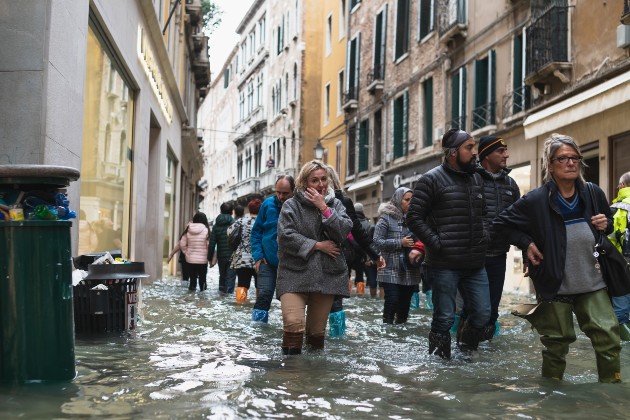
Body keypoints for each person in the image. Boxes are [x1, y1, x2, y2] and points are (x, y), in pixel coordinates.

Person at [494, 134, 621, 383]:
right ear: (550, 165)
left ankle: (612, 392)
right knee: (555, 345)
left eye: (575, 158)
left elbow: (608, 227)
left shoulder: (593, 193)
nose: (570, 163)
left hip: (592, 281)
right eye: (563, 158)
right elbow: (499, 225)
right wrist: (526, 243)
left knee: (609, 338)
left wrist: (606, 225)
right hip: (554, 283)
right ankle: (550, 396)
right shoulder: (535, 200)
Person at [406, 128, 490, 359]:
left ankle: (466, 354)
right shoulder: (430, 179)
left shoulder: (476, 178)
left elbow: (484, 214)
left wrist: (485, 234)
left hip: (475, 262)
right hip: (444, 263)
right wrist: (436, 243)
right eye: (469, 148)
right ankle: (439, 364)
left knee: (483, 313)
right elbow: (413, 217)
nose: (475, 152)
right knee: (443, 317)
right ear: (453, 153)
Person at [276, 160, 353, 354]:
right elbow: (285, 236)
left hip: (325, 275)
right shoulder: (290, 206)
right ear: (304, 183)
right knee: (294, 325)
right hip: (294, 274)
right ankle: (292, 374)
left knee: (316, 334)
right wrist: (317, 245)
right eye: (315, 180)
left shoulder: (335, 204)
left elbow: (344, 233)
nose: (321, 184)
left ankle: (313, 378)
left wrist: (324, 209)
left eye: (324, 179)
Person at [458, 135, 522, 340]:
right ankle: (465, 350)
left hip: (498, 255)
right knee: (474, 308)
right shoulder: (469, 180)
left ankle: (484, 353)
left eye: (506, 150)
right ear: (486, 155)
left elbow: (518, 219)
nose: (507, 155)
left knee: (492, 312)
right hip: (472, 256)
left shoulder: (511, 184)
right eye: (500, 151)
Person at [326, 165, 384, 336]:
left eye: (324, 179)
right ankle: (327, 339)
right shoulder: (303, 202)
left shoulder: (342, 202)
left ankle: (336, 339)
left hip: (337, 257)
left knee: (335, 301)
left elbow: (357, 231)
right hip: (321, 257)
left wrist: (375, 254)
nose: (321, 184)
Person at [373, 187, 424, 324]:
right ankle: (387, 329)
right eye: (407, 200)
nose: (410, 203)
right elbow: (377, 241)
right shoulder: (386, 218)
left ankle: (401, 331)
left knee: (405, 305)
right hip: (390, 268)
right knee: (392, 300)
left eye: (412, 200)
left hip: (410, 268)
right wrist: (399, 242)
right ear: (397, 200)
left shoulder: (417, 219)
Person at [250, 175, 295, 323]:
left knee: (292, 304)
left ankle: (290, 333)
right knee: (264, 296)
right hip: (267, 262)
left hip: (291, 265)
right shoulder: (267, 205)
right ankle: (258, 334)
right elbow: (256, 231)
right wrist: (258, 256)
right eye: (278, 192)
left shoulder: (299, 206)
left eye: (285, 193)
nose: (281, 196)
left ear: (293, 191)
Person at [608, 171, 630, 340]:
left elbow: (608, 243)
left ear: (622, 186)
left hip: (622, 270)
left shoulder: (615, 210)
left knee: (620, 315)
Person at [230, 199, 262, 304]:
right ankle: (259, 306)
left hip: (242, 259)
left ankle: (240, 304)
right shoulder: (263, 222)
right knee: (260, 285)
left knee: (242, 284)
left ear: (248, 209)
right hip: (260, 259)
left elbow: (230, 233)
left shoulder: (241, 221)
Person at [354, 203, 379, 298]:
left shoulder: (350, 221)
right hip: (364, 253)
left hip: (350, 253)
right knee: (361, 275)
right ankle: (360, 294)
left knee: (347, 274)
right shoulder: (367, 224)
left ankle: (349, 295)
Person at [209, 203, 235, 294]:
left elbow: (212, 243)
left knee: (222, 276)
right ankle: (229, 296)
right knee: (230, 277)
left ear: (220, 211)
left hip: (221, 256)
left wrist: (209, 258)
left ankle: (221, 293)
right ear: (232, 212)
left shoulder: (216, 226)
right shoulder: (235, 224)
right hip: (233, 255)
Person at [180, 212, 209, 291]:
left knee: (192, 279)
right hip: (203, 260)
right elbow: (209, 245)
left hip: (190, 260)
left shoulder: (188, 229)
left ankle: (191, 297)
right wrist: (209, 256)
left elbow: (182, 244)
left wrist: (187, 253)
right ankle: (202, 298)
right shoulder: (206, 230)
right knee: (202, 279)